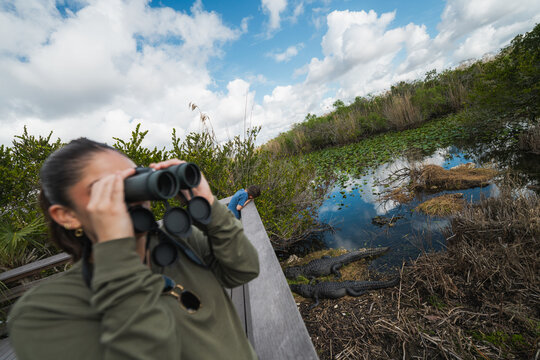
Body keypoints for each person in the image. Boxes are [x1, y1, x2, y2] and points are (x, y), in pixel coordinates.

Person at [7, 138, 260, 360]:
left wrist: (208, 205)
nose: (131, 193)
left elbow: (244, 270)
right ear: (67, 215)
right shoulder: (43, 313)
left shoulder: (181, 241)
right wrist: (117, 253)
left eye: (134, 178)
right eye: (105, 188)